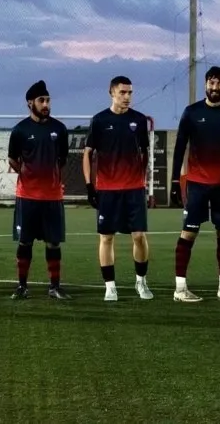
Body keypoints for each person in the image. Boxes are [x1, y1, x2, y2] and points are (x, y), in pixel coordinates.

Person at [169, 66, 220, 302]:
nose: (215, 87)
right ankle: (180, 289)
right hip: (197, 184)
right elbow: (180, 147)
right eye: (212, 83)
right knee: (188, 233)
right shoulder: (191, 112)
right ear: (205, 84)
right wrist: (174, 181)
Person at [83, 75, 153, 302]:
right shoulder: (99, 120)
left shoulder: (139, 120)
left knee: (139, 236)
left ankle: (141, 281)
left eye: (130, 92)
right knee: (106, 238)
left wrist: (141, 179)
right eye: (122, 92)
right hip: (107, 189)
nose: (127, 97)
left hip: (133, 188)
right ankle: (110, 287)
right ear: (112, 93)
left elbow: (145, 153)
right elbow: (87, 153)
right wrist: (90, 186)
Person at [8, 80, 71, 300]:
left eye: (48, 100)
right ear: (30, 103)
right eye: (41, 100)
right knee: (24, 241)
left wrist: (52, 178)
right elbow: (12, 159)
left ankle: (54, 287)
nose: (46, 104)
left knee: (53, 242)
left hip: (52, 196)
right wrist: (26, 174)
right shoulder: (20, 130)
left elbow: (62, 159)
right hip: (27, 196)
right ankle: (22, 287)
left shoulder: (59, 129)